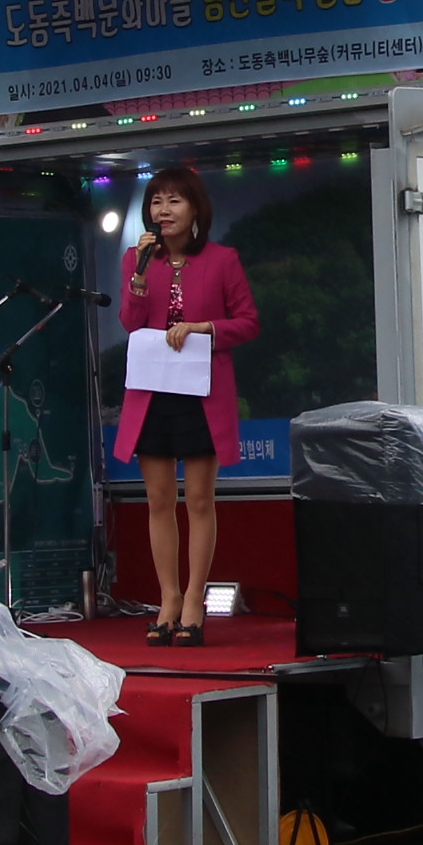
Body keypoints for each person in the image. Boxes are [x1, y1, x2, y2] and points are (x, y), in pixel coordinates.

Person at [112, 164, 259, 644]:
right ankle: (168, 598)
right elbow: (131, 322)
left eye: (174, 200)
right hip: (152, 390)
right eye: (156, 201)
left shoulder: (222, 260)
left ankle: (195, 598)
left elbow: (248, 322)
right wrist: (138, 274)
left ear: (196, 209)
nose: (164, 210)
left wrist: (204, 328)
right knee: (159, 500)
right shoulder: (137, 259)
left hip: (202, 391)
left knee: (198, 499)